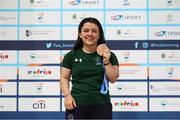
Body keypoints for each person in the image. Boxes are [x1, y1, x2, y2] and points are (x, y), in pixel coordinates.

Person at [60, 17, 119, 119]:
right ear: (80, 34)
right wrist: (67, 96)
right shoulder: (71, 56)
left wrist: (106, 61)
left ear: (99, 34)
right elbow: (64, 77)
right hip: (76, 104)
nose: (90, 34)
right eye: (86, 30)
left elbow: (113, 78)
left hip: (102, 105)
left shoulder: (109, 55)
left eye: (94, 31)